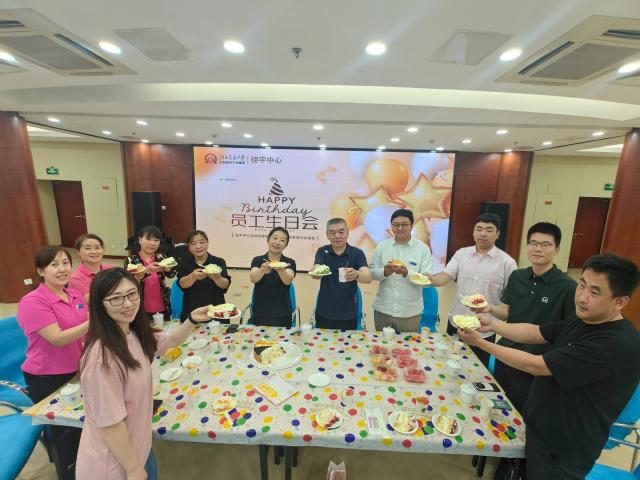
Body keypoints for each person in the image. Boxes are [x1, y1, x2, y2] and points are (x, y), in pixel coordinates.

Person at [458, 253, 640, 480]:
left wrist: (480, 343)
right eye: (581, 285)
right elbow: (537, 332)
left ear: (619, 302)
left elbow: (536, 365)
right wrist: (493, 325)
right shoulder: (586, 319)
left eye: (594, 292)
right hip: (543, 432)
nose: (582, 297)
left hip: (564, 448)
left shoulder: (614, 344)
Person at [76, 268, 211, 479]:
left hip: (139, 447)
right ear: (99, 304)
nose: (128, 304)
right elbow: (110, 423)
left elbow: (171, 340)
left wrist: (192, 320)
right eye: (116, 298)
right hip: (113, 465)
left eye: (132, 294)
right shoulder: (102, 359)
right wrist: (133, 468)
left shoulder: (132, 332)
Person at [17, 246, 89, 479]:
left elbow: (84, 333)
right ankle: (67, 469)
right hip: (48, 376)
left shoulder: (74, 295)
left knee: (83, 423)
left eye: (66, 263)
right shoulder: (32, 302)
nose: (62, 269)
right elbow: (57, 338)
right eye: (54, 264)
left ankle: (87, 465)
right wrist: (95, 320)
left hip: (77, 369)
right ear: (41, 271)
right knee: (64, 430)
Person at [429, 213, 517, 364]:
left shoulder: (507, 263)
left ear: (498, 234)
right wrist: (431, 280)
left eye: (489, 230)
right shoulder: (462, 254)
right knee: (448, 363)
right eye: (479, 229)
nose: (483, 234)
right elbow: (445, 276)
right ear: (473, 232)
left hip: (484, 329)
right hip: (456, 323)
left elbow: (508, 304)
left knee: (478, 370)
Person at [369, 209, 433, 332]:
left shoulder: (423, 249)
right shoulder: (382, 246)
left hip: (409, 313)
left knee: (407, 344)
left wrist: (407, 273)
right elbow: (371, 273)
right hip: (383, 310)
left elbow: (427, 281)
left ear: (412, 225)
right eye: (396, 224)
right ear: (391, 226)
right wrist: (384, 272)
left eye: (404, 224)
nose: (400, 228)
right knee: (382, 344)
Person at [311, 218, 372, 330]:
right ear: (327, 235)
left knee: (347, 341)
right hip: (324, 310)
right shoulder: (322, 251)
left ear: (347, 233)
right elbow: (315, 272)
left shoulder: (357, 253)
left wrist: (356, 274)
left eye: (341, 232)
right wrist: (316, 271)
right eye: (332, 233)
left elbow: (368, 277)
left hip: (349, 312)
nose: (337, 236)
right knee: (322, 340)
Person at [176, 229, 231, 322]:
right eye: (193, 243)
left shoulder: (218, 261)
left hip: (216, 310)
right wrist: (193, 276)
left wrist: (217, 278)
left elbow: (225, 285)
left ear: (207, 243)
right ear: (189, 246)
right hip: (192, 310)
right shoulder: (184, 263)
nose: (198, 246)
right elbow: (182, 284)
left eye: (202, 242)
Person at [124, 225, 176, 321]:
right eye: (148, 239)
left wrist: (168, 269)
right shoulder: (131, 260)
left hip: (162, 305)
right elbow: (129, 282)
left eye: (156, 240)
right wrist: (146, 270)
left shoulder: (161, 257)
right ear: (140, 240)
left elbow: (171, 275)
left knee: (163, 329)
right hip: (141, 307)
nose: (152, 243)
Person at [249, 227, 297, 327]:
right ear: (268, 239)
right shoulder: (258, 260)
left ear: (286, 245)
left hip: (282, 313)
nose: (277, 242)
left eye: (282, 240)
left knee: (282, 337)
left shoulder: (289, 262)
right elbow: (253, 278)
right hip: (260, 312)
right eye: (275, 238)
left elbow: (288, 280)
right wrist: (262, 270)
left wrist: (280, 268)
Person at [69, 233, 113, 298]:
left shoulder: (110, 269)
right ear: (78, 252)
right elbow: (93, 302)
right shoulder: (76, 278)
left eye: (97, 248)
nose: (94, 252)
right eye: (88, 248)